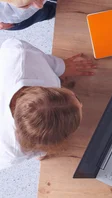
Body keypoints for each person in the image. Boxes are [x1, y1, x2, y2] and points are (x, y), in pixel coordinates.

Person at [0, 38, 97, 170]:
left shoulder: (20, 53)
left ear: (47, 89)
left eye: (75, 96)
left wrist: (60, 66)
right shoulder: (9, 151)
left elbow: (15, 46)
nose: (81, 105)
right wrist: (39, 151)